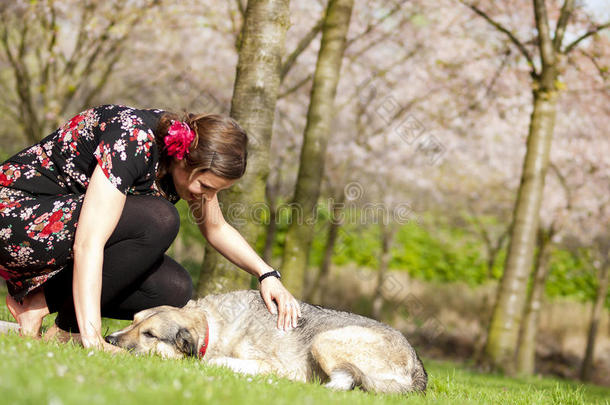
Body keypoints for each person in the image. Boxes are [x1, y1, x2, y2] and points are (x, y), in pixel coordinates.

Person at [0, 104, 301, 351]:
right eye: (206, 186)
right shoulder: (132, 138)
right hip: (16, 217)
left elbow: (216, 228)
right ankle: (74, 331)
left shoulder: (183, 167)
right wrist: (92, 337)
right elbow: (88, 243)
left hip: (62, 228)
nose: (206, 197)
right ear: (185, 158)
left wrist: (267, 274)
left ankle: (39, 308)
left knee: (173, 287)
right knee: (160, 219)